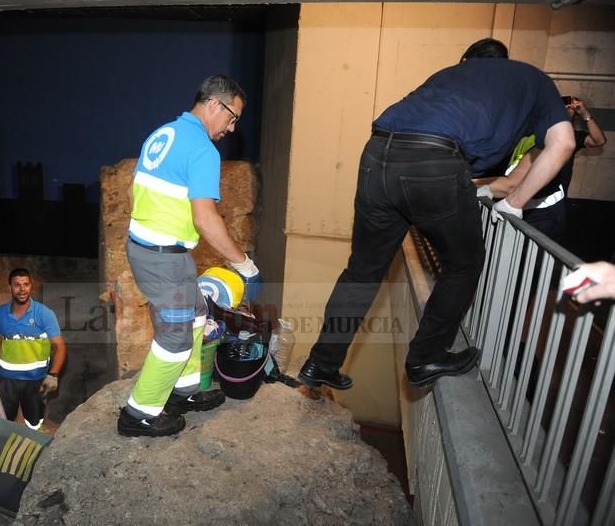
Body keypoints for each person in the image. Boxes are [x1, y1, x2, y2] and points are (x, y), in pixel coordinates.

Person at [298, 38, 575, 390]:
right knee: (464, 263)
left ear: (465, 60)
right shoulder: (531, 78)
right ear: (504, 61)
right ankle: (426, 356)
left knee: (362, 271)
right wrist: (515, 202)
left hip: (377, 153)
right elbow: (563, 143)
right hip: (434, 160)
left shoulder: (448, 75)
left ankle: (321, 362)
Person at [117, 75, 261, 438]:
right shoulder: (201, 149)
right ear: (215, 104)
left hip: (156, 249)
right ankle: (139, 414)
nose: (231, 128)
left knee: (197, 314)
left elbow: (135, 197)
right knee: (176, 336)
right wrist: (243, 263)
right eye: (232, 118)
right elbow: (206, 219)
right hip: (162, 257)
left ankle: (184, 392)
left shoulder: (163, 133)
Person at [476, 95, 607, 243]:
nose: (565, 108)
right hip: (519, 201)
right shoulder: (530, 134)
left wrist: (585, 115)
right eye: (561, 104)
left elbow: (599, 141)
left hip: (544, 209)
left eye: (570, 107)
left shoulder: (568, 137)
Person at [0, 268, 67, 430]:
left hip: (36, 381)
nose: (22, 289)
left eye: (25, 284)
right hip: (6, 381)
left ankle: (32, 452)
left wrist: (53, 375)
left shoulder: (44, 313)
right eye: (17, 285)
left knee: (34, 425)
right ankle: (4, 453)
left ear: (30, 286)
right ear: (10, 288)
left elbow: (60, 346)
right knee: (2, 424)